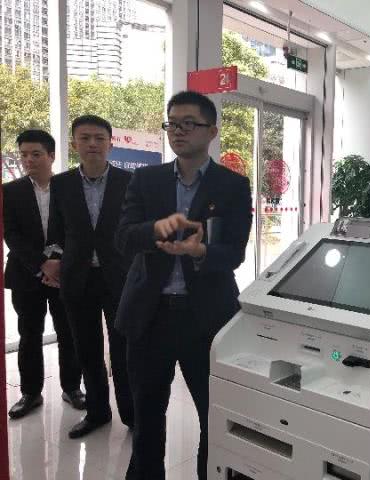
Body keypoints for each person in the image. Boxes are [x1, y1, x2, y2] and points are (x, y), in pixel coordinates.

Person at [115, 91, 252, 480]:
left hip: (205, 319)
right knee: (146, 417)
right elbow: (123, 238)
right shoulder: (146, 180)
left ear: (212, 131)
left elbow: (235, 253)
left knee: (213, 415)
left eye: (188, 123)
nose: (178, 131)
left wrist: (201, 251)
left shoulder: (232, 185)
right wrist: (154, 228)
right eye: (172, 123)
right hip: (149, 316)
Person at [46, 115, 134, 438]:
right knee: (87, 350)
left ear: (111, 143)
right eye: (85, 138)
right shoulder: (61, 184)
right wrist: (54, 260)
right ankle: (97, 412)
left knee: (124, 350)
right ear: (74, 144)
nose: (92, 143)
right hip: (78, 279)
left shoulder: (130, 181)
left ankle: (132, 415)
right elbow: (56, 231)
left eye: (99, 137)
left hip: (120, 279)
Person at [3, 130, 85, 419]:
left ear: (51, 155)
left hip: (64, 272)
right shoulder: (9, 191)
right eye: (23, 154)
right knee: (29, 334)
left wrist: (58, 262)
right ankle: (30, 393)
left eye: (35, 154)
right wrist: (41, 263)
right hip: (26, 275)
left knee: (68, 332)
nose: (28, 160)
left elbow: (77, 229)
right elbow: (11, 234)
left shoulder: (69, 187)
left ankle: (72, 388)